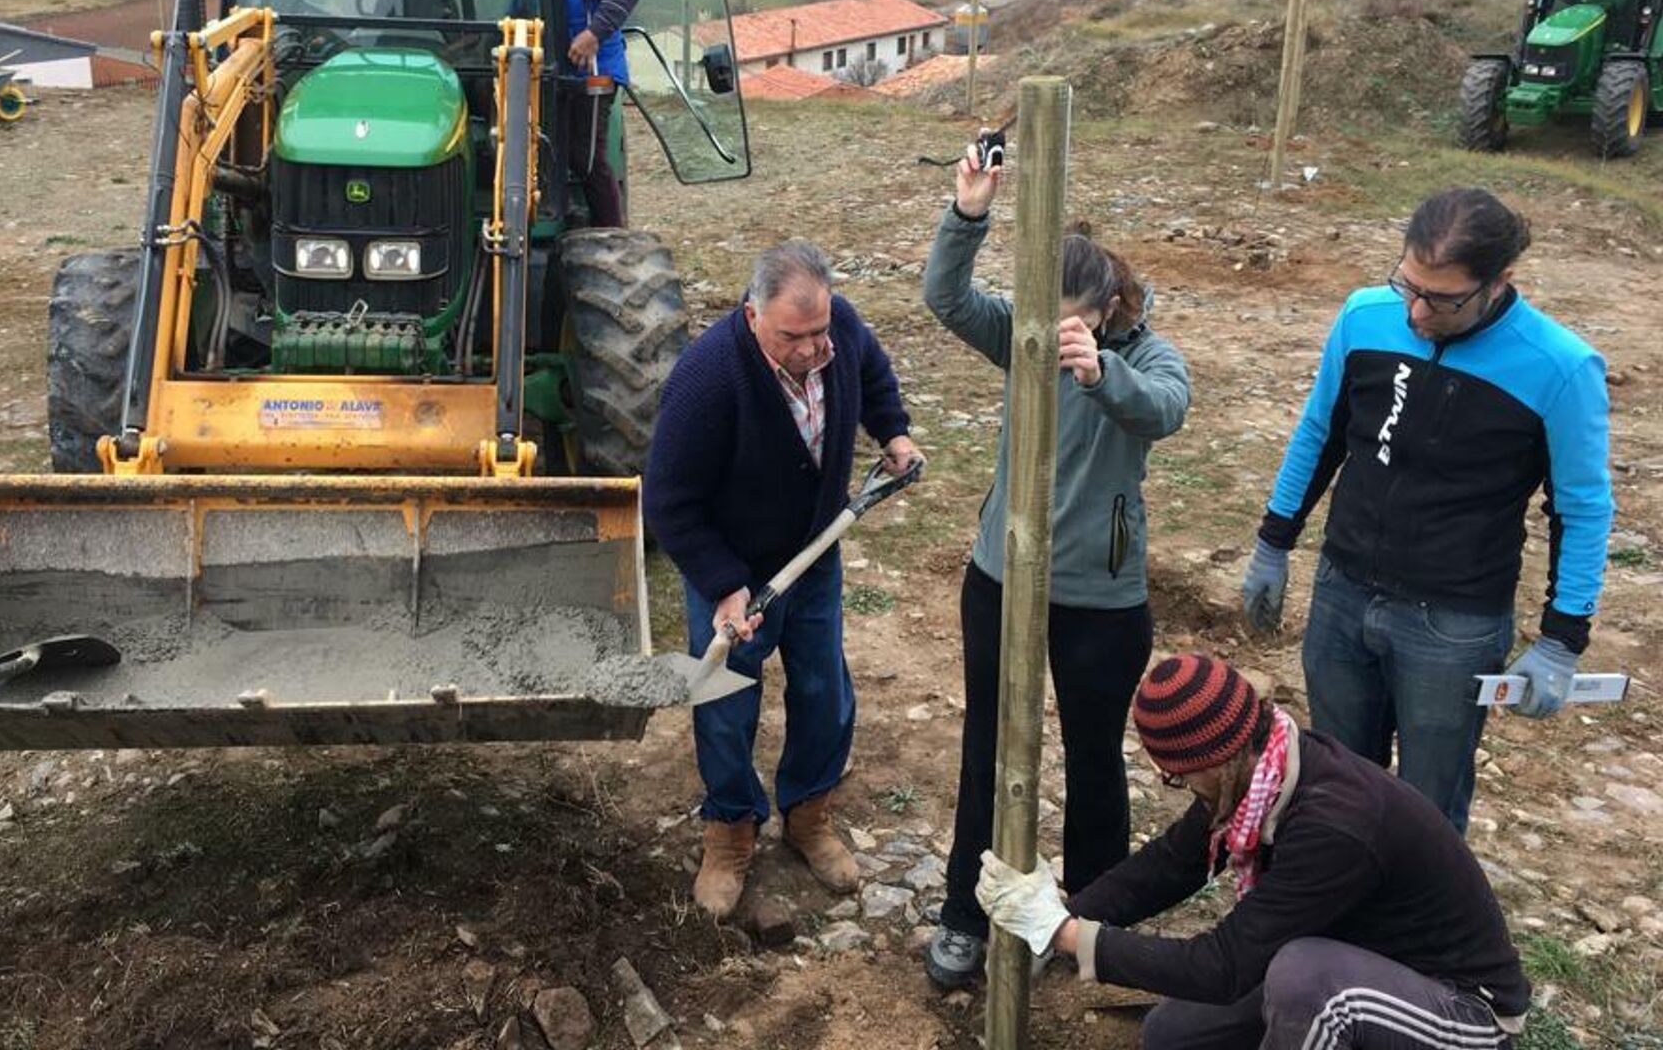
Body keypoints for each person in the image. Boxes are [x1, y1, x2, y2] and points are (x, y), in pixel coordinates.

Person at [1240, 186, 1613, 832]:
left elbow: (1581, 510)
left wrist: (1562, 638)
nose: (1414, 311)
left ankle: (1416, 932)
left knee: (1425, 813)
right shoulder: (1364, 318)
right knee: (1334, 790)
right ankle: (1331, 921)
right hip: (1342, 593)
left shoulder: (1560, 367)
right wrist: (1275, 542)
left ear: (1499, 282)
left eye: (1441, 299)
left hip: (1452, 623)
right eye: (1407, 284)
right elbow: (1318, 435)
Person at [922, 145, 1192, 989]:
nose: (1051, 335)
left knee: (1092, 759)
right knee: (988, 750)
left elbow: (1166, 410)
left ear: (1108, 309)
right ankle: (969, 913)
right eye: (1044, 317)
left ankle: (1092, 926)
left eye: (1071, 322)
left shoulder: (1144, 357)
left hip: (1100, 603)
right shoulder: (1022, 329)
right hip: (1001, 579)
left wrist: (1102, 372)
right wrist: (967, 215)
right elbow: (946, 298)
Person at [977, 653, 1530, 1050]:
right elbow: (1175, 862)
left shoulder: (1336, 825)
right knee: (1172, 1035)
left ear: (1217, 757)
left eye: (1177, 776)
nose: (1181, 786)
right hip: (1365, 961)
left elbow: (1224, 966)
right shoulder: (1258, 769)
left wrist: (1065, 935)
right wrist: (1066, 906)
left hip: (1462, 1012)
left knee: (1304, 980)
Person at [643, 239, 921, 918]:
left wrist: (895, 435)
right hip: (732, 569)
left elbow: (873, 373)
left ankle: (808, 812)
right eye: (793, 336)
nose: (811, 348)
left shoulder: (840, 328)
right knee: (725, 701)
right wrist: (724, 583)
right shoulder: (708, 378)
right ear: (752, 314)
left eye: (819, 330)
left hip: (814, 555)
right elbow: (668, 500)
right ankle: (731, 828)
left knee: (825, 688)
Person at [496, 0, 635, 228]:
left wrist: (593, 36)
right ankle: (557, 213)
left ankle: (610, 232)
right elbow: (521, 13)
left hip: (592, 71)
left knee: (585, 158)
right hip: (547, 70)